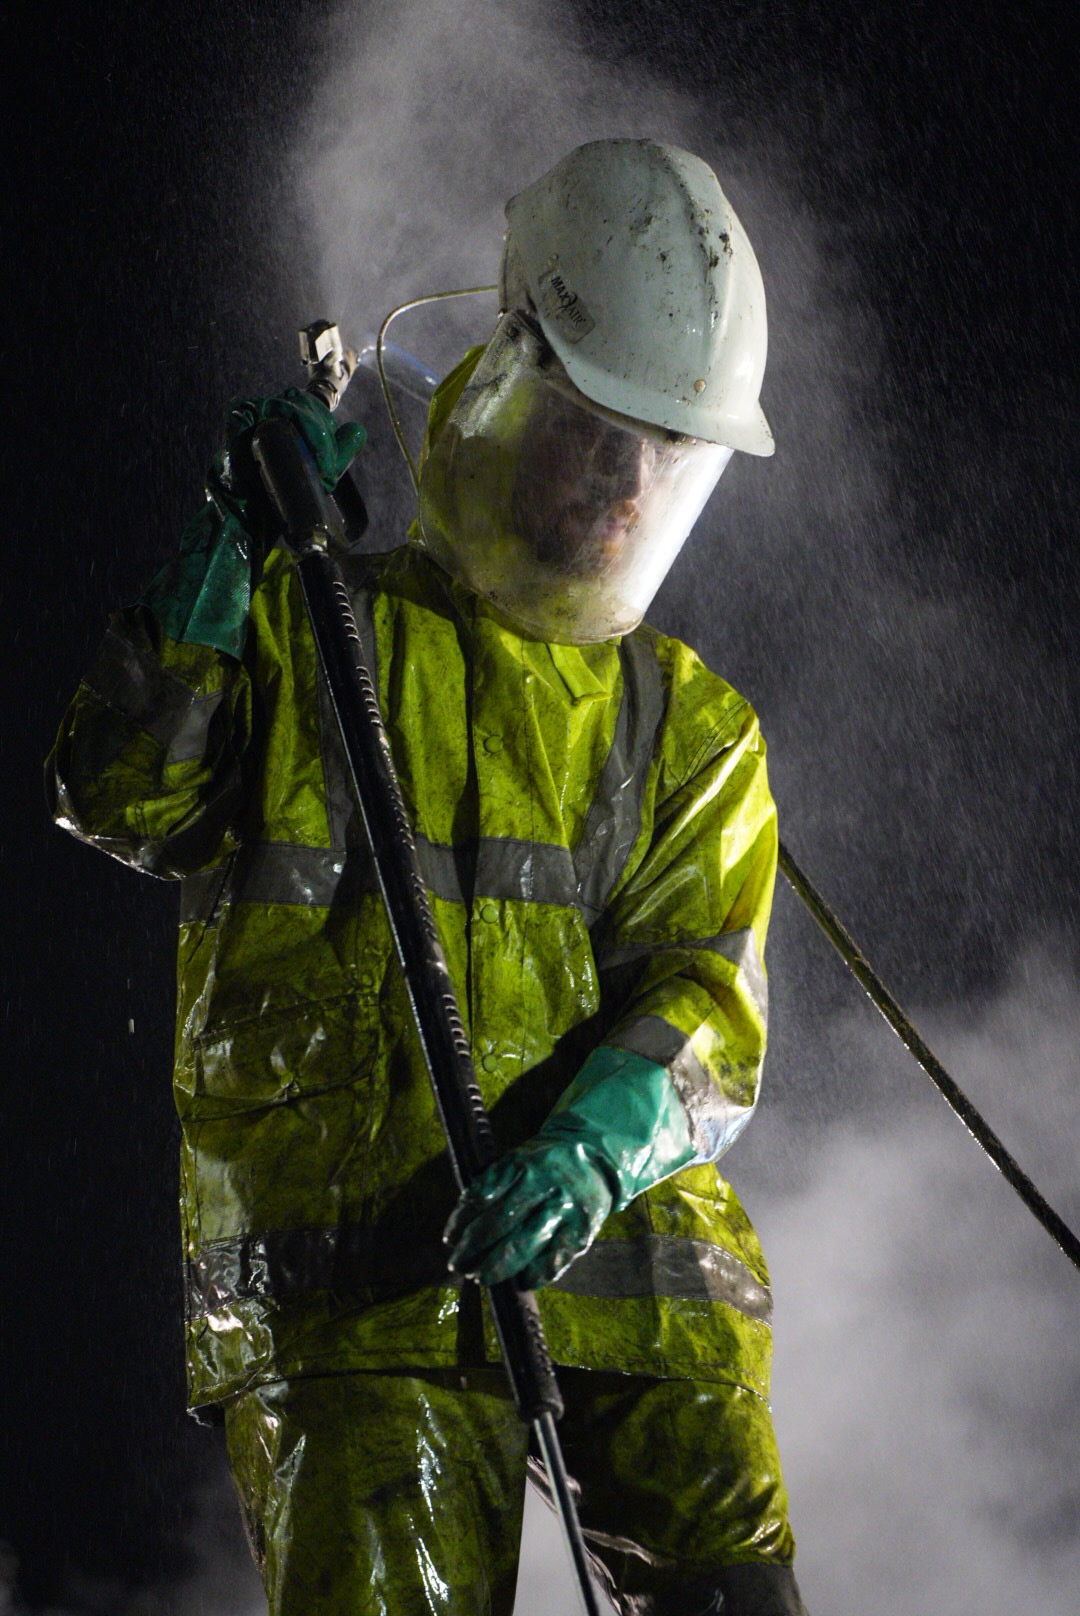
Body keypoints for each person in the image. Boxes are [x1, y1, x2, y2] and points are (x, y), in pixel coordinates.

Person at [48, 140, 808, 1616]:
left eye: (659, 457)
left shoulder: (688, 722)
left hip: (640, 1275)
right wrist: (230, 553)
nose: (619, 484)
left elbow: (706, 1005)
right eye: (595, 433)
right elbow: (118, 791)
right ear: (508, 374)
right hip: (359, 1280)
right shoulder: (304, 631)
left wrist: (587, 1155)